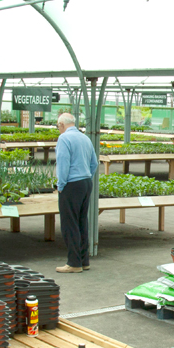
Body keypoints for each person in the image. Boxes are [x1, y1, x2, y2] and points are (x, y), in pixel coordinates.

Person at [54, 113, 98, 274]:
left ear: (62, 125)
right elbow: (95, 163)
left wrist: (61, 184)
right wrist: (86, 175)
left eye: (58, 126)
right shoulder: (85, 138)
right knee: (81, 222)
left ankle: (73, 263)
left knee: (69, 223)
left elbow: (63, 163)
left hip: (71, 185)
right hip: (86, 183)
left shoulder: (64, 139)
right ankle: (84, 260)